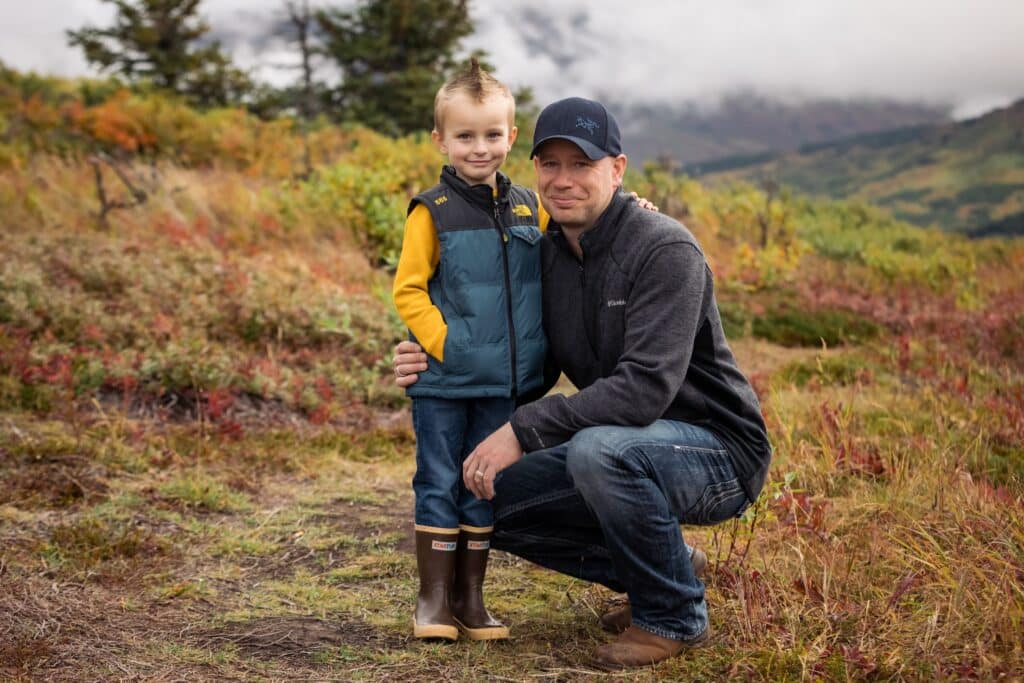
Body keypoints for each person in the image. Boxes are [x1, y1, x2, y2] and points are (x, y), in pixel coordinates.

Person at [394, 96, 772, 670]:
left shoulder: (663, 249)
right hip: (632, 443)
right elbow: (528, 361)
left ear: (616, 170)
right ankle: (667, 566)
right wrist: (438, 364)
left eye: (582, 165)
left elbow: (644, 390)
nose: (563, 180)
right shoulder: (547, 255)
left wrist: (523, 428)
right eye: (550, 165)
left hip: (717, 451)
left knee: (600, 450)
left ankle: (672, 616)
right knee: (487, 491)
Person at [392, 59, 549, 642]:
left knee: (483, 483)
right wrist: (445, 345)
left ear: (512, 136)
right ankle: (432, 602)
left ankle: (471, 599)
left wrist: (635, 209)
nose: (478, 148)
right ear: (441, 140)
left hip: (505, 386)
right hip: (445, 382)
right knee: (437, 478)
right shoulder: (430, 211)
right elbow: (409, 289)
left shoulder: (533, 207)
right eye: (464, 136)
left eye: (491, 135)